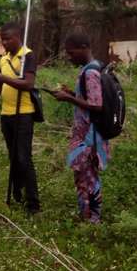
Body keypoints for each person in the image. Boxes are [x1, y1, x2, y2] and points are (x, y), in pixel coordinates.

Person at [0, 22, 40, 215]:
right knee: (13, 156)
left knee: (24, 157)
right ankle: (18, 194)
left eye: (8, 39)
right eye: (2, 39)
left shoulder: (28, 55)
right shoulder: (4, 59)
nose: (4, 43)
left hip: (23, 114)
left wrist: (0, 76)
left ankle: (33, 204)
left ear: (18, 37)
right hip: (6, 114)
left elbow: (28, 84)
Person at [52, 32, 110, 224]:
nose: (69, 57)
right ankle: (86, 214)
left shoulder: (91, 72)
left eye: (71, 52)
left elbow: (97, 105)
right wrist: (72, 93)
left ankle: (93, 218)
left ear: (84, 47)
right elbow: (89, 99)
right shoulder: (91, 68)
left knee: (88, 176)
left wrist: (68, 98)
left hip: (88, 136)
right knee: (84, 175)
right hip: (86, 133)